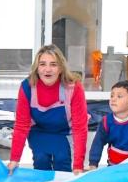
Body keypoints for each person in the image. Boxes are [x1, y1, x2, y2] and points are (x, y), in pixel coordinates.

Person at [8, 45, 88, 174]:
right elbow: (22, 125)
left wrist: (78, 165)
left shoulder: (74, 88)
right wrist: (14, 159)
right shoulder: (27, 87)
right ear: (37, 68)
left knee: (62, 160)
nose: (47, 69)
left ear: (61, 68)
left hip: (64, 133)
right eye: (42, 64)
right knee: (41, 160)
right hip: (38, 131)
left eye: (53, 64)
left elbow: (79, 128)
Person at [87, 80, 128, 168]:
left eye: (119, 96)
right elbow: (98, 143)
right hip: (113, 167)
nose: (113, 99)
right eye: (112, 96)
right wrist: (93, 163)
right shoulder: (106, 122)